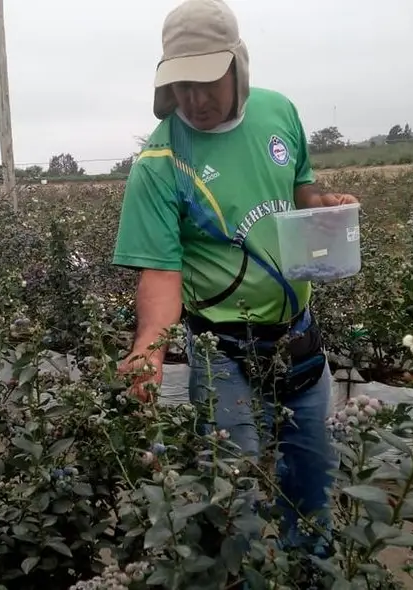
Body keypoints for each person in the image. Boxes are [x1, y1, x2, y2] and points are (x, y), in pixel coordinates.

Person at [112, 0, 359, 559]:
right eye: (181, 87)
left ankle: (309, 572)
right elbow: (160, 271)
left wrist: (325, 204)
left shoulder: (279, 113)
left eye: (207, 82)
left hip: (299, 336)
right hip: (221, 351)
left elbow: (298, 191)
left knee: (313, 485)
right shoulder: (160, 160)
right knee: (232, 497)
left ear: (237, 67)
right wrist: (149, 350)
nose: (195, 101)